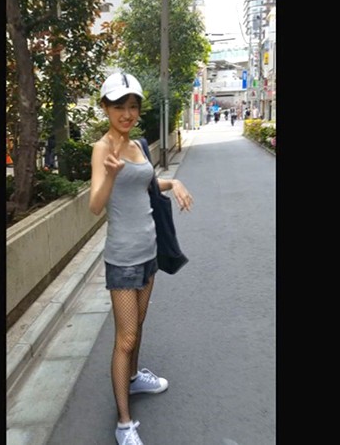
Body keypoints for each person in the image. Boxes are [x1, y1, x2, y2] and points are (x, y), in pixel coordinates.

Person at [89, 72, 193, 445]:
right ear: (105, 108)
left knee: (139, 326)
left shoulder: (137, 144)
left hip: (149, 252)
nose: (127, 113)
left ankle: (133, 379)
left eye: (133, 106)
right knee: (126, 338)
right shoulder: (103, 148)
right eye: (119, 106)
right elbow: (94, 205)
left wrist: (173, 182)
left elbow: (145, 184)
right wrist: (109, 175)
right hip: (123, 259)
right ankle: (124, 424)